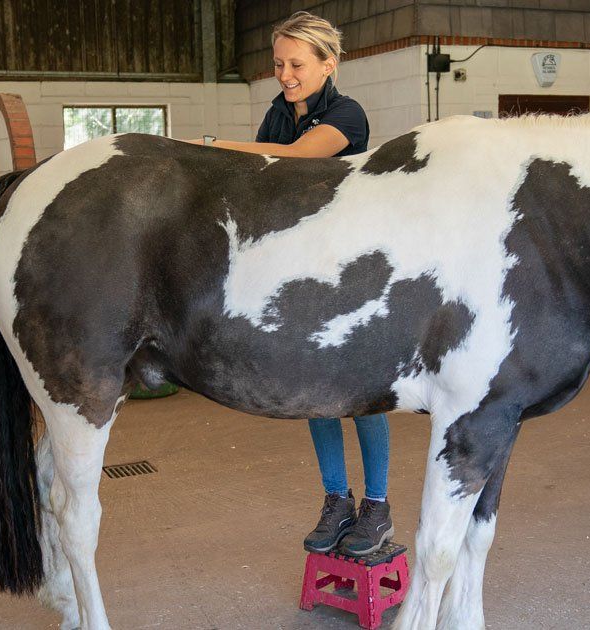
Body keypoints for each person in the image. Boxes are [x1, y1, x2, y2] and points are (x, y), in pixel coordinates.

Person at [191, 11, 391, 557]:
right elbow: (257, 182)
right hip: (299, 269)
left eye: (297, 64)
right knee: (314, 391)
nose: (285, 74)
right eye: (279, 63)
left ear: (329, 64)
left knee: (362, 394)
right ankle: (336, 500)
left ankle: (377, 507)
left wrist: (208, 144)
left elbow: (297, 161)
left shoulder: (347, 114)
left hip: (349, 268)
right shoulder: (277, 115)